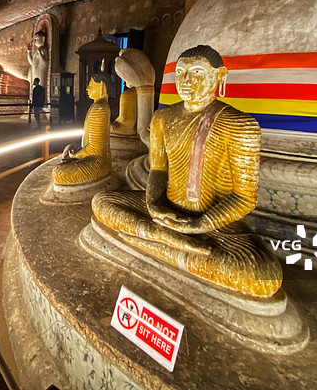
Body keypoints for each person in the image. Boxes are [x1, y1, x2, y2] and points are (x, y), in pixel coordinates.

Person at [91, 45, 282, 297]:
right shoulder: (162, 118)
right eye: (180, 73)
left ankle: (156, 241)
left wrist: (200, 224)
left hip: (212, 223)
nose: (186, 81)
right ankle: (162, 237)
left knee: (263, 276)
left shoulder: (241, 125)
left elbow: (245, 197)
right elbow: (158, 170)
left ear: (219, 76)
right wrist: (154, 206)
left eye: (197, 73)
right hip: (165, 212)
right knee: (102, 201)